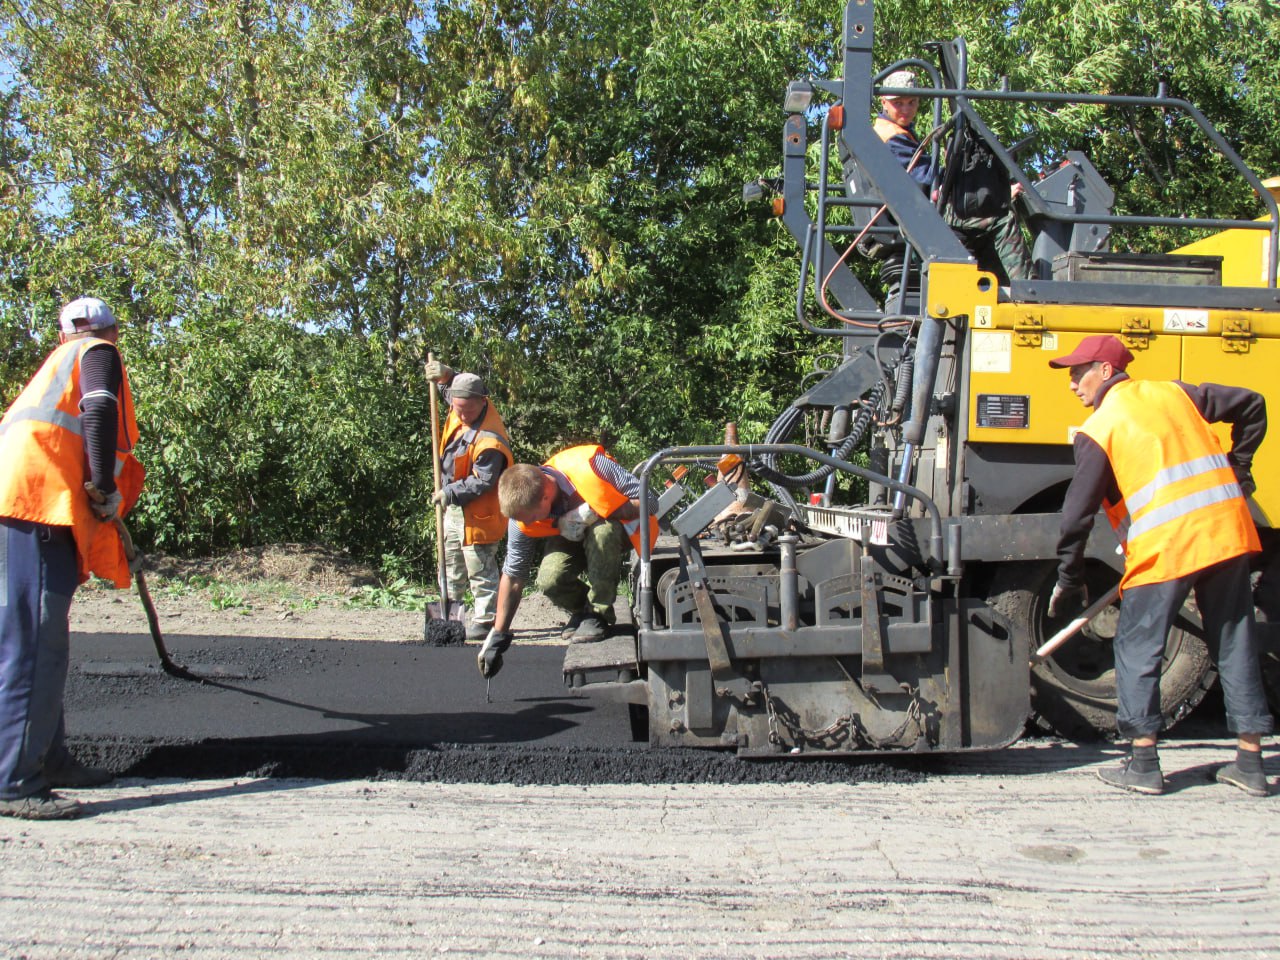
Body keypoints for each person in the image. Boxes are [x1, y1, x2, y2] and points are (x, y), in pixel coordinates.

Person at [1047, 334, 1273, 796]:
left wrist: (1070, 578)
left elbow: (1075, 517)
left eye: (1078, 371)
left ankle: (1144, 763)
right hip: (1225, 533)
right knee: (1234, 640)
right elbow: (1253, 403)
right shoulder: (1175, 393)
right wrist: (1240, 468)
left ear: (1105, 371)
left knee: (1138, 648)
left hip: (1167, 548)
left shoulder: (1101, 427)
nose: (1072, 383)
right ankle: (1251, 764)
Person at [0, 297, 145, 820]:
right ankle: (15, 780)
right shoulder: (97, 354)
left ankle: (50, 757)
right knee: (36, 643)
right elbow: (101, 408)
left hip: (23, 504)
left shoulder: (54, 365)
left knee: (37, 637)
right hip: (36, 506)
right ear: (112, 330)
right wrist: (103, 484)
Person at [476, 444, 658, 679]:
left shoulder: (592, 466)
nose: (527, 523)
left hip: (617, 531)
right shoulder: (521, 515)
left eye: (531, 518)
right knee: (551, 579)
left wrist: (594, 512)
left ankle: (598, 614)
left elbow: (651, 503)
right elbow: (513, 574)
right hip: (571, 534)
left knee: (602, 533)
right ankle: (583, 610)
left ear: (545, 496)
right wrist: (498, 635)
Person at [874, 69, 1031, 285]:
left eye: (912, 102)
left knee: (984, 222)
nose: (906, 109)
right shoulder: (891, 137)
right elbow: (926, 180)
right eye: (898, 103)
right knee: (998, 219)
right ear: (884, 102)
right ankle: (1029, 292)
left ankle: (994, 292)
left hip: (914, 212)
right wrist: (998, 193)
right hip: (915, 217)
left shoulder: (894, 131)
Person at [424, 361, 513, 642]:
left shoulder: (490, 440)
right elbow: (450, 387)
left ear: (482, 401)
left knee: (480, 567)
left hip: (480, 512)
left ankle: (486, 621)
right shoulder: (459, 406)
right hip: (453, 507)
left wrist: (448, 493)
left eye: (467, 409)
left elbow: (483, 481)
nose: (461, 414)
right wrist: (445, 374)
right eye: (457, 408)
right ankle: (449, 615)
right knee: (450, 563)